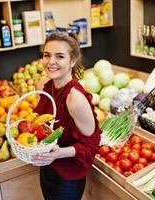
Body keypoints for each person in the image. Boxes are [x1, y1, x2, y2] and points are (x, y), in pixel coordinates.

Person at [31, 32, 101, 200]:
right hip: (47, 166)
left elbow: (91, 147)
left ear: (72, 61)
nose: (51, 61)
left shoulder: (75, 99)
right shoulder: (43, 86)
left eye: (60, 56)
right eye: (46, 55)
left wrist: (59, 153)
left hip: (68, 176)